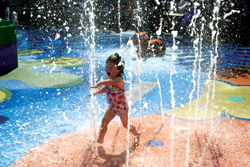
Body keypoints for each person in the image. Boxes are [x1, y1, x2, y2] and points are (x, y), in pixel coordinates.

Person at [90, 53, 140, 145]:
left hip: (122, 108)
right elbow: (107, 88)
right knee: (104, 122)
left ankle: (137, 133)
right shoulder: (108, 78)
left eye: (111, 67)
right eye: (106, 66)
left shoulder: (119, 80)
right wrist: (96, 92)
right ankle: (100, 139)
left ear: (119, 69)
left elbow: (111, 83)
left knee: (126, 125)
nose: (107, 69)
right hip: (112, 107)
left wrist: (100, 82)